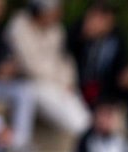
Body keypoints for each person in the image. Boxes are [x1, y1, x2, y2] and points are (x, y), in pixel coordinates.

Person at [5, 0, 90, 136]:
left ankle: (88, 131)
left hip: (58, 84)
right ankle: (86, 133)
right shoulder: (18, 27)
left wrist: (68, 81)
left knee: (74, 102)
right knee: (50, 97)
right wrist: (58, 80)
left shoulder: (56, 29)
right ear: (39, 11)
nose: (57, 14)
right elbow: (30, 66)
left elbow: (65, 60)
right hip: (30, 83)